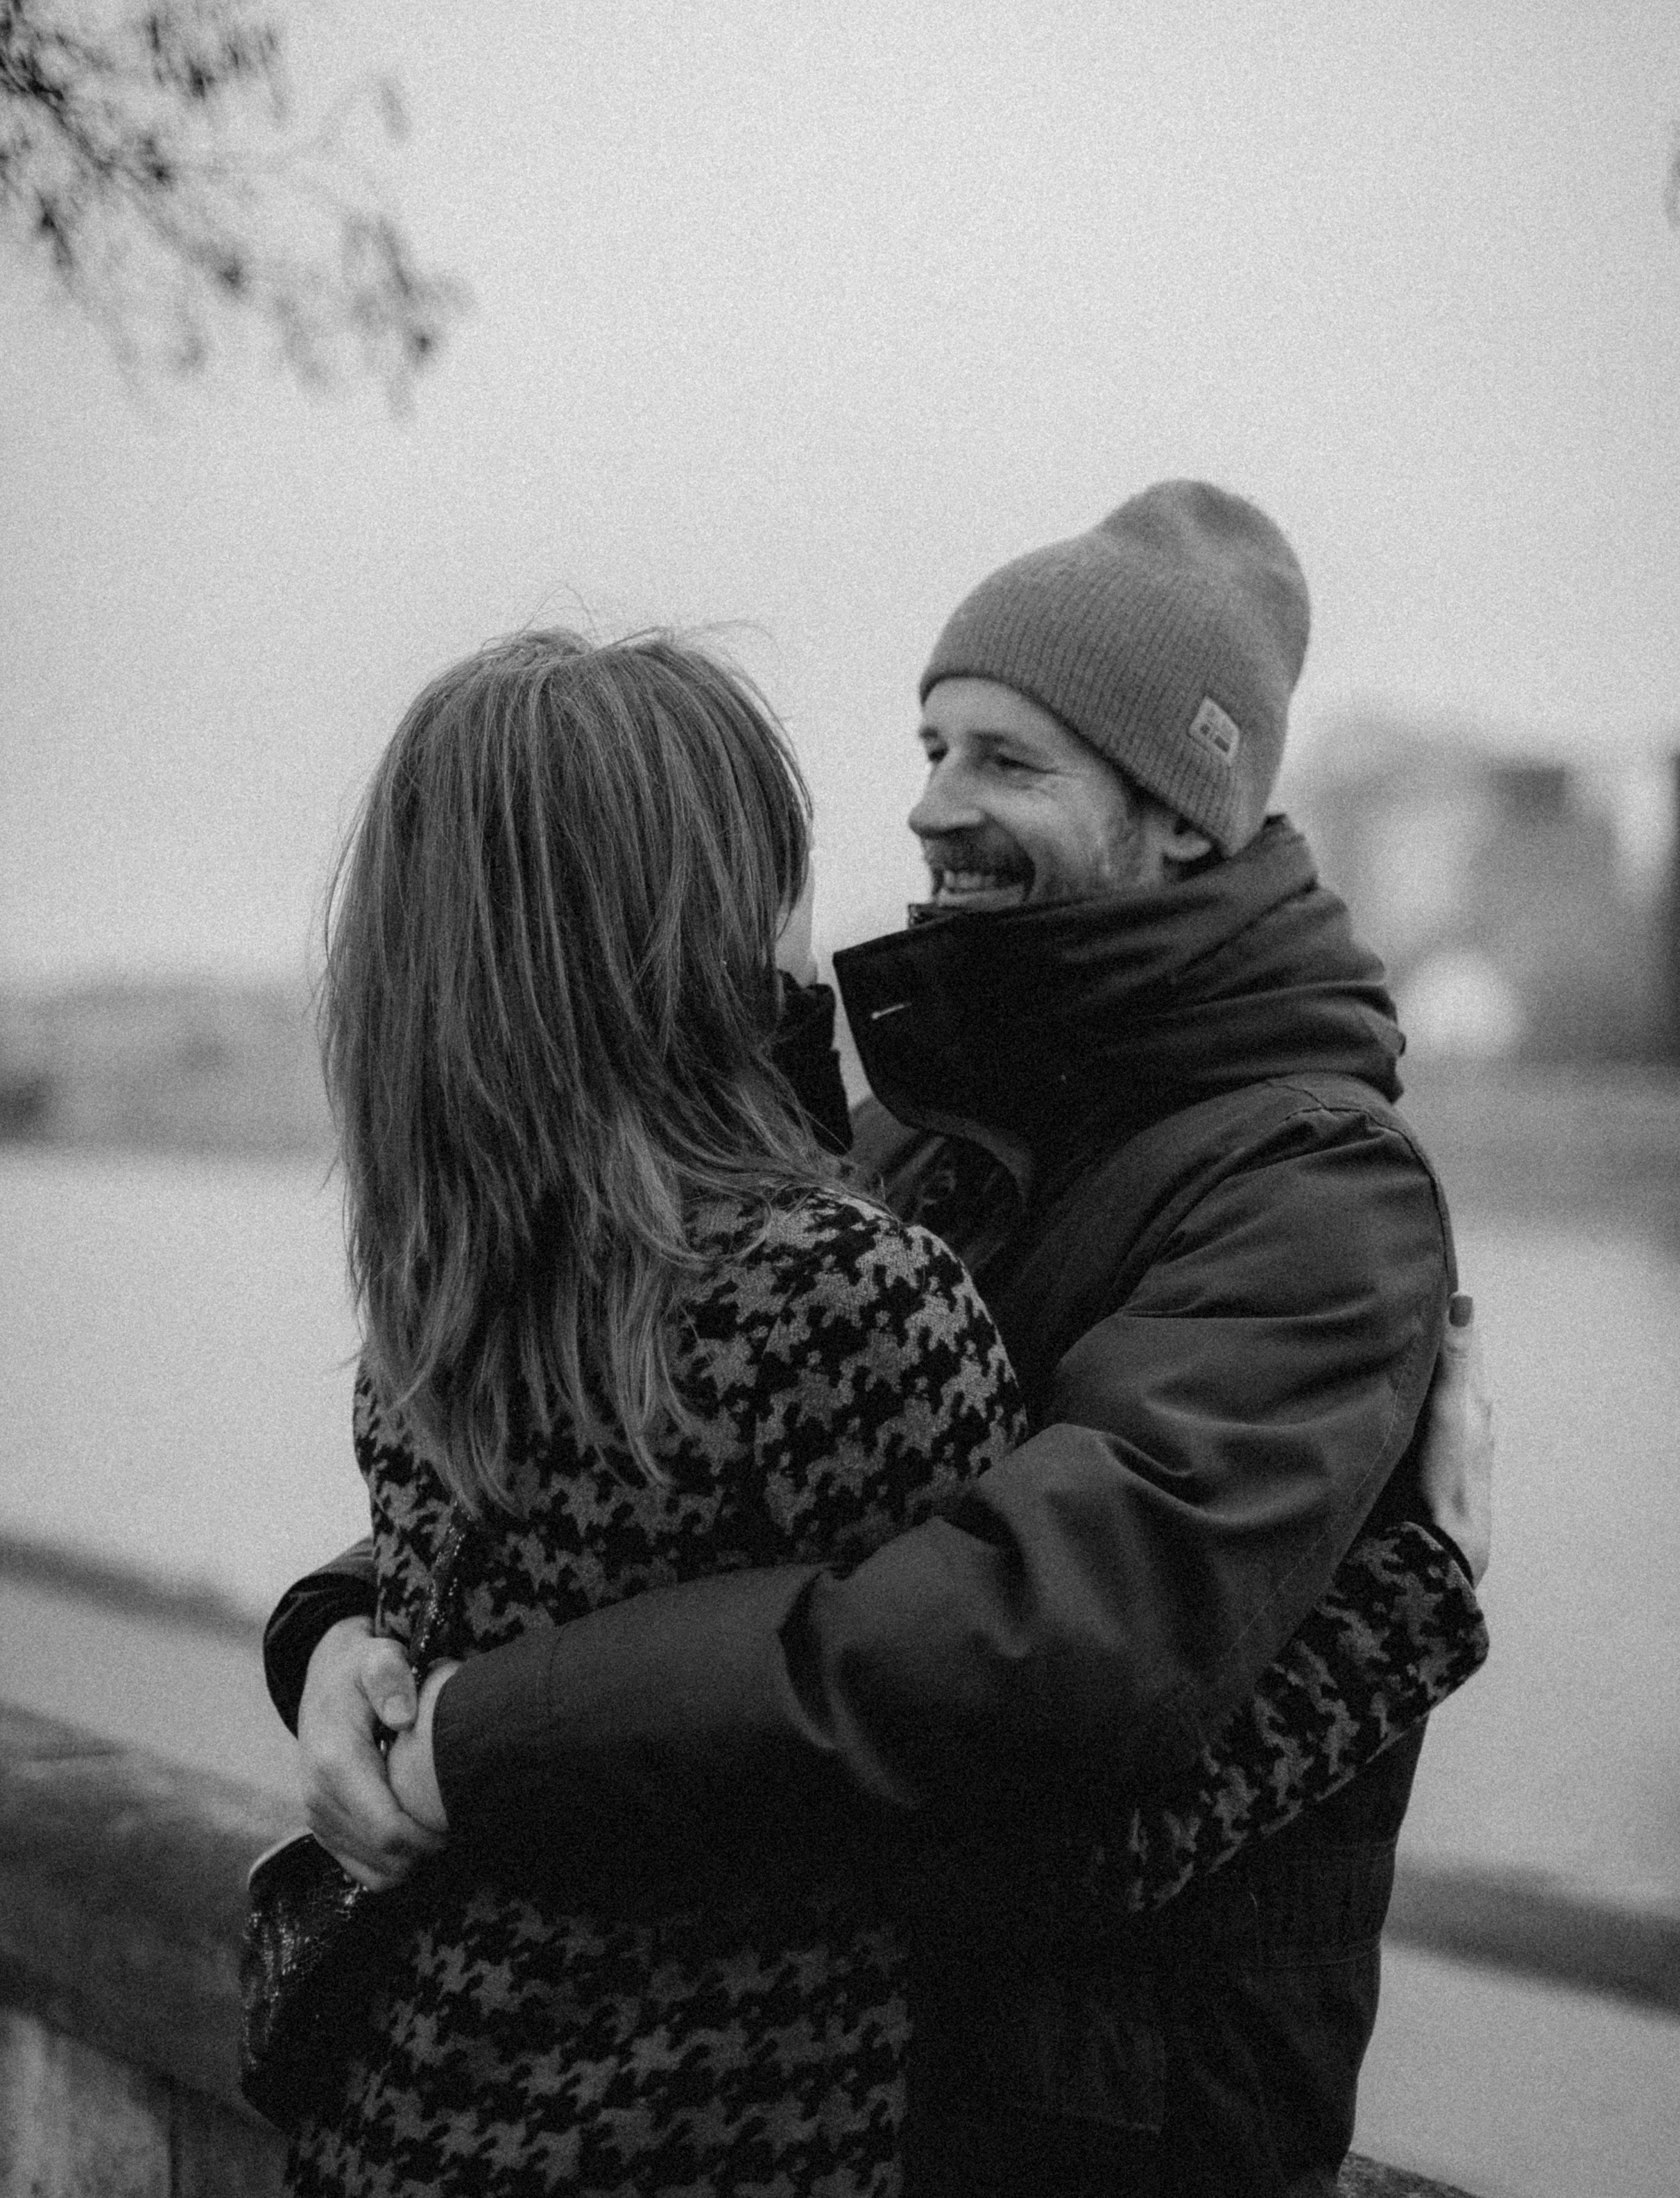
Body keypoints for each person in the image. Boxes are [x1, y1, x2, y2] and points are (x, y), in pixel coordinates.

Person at [269, 485, 1493, 2195]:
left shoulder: (1307, 1185)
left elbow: (1036, 1658)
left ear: (1187, 815)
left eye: (1006, 760)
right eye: (930, 744)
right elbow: (628, 1469)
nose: (929, 807)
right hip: (825, 2097)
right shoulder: (917, 1133)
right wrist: (348, 1626)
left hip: (1097, 2129)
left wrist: (469, 1729)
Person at [282, 627, 1029, 2197]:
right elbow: (1022, 1786)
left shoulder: (440, 1299)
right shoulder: (839, 1294)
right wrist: (1414, 1600)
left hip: (405, 2115)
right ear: (699, 925)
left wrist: (319, 1639)